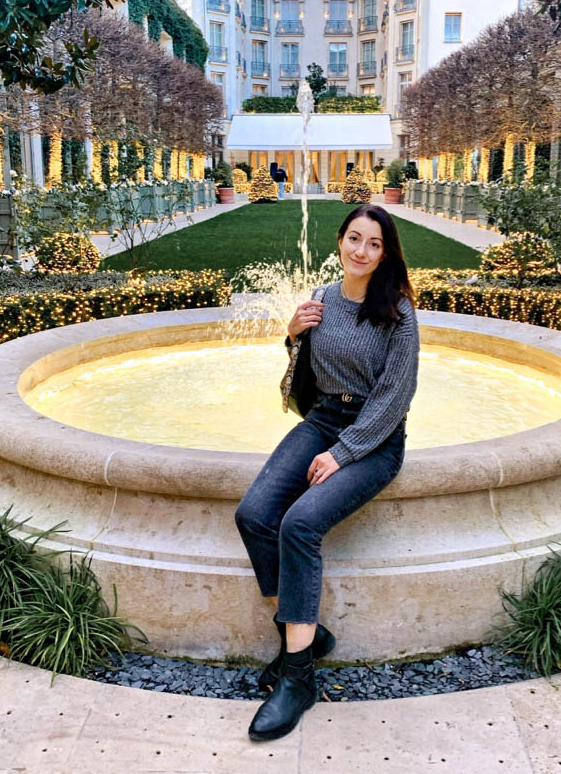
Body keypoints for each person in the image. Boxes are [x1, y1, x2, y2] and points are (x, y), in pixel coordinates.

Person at [234, 203, 420, 741]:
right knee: (255, 514)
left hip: (375, 439)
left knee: (300, 523)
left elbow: (395, 397)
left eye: (374, 244)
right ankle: (308, 637)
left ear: (386, 253)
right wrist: (292, 335)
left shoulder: (399, 312)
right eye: (354, 239)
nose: (361, 251)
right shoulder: (320, 299)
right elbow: (304, 380)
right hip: (322, 420)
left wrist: (345, 452)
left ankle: (298, 679)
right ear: (340, 241)